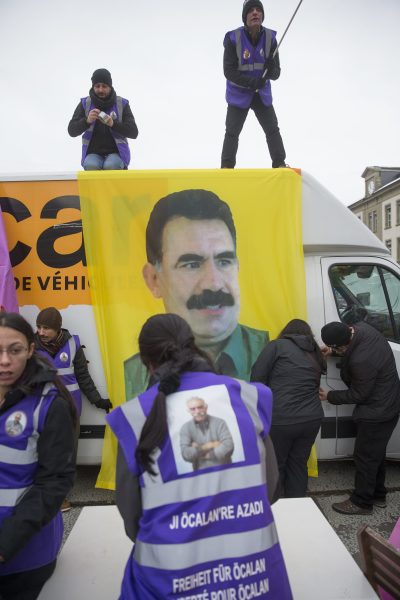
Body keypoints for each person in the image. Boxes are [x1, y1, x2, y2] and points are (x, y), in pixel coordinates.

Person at [107, 313, 292, 599]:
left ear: (148, 363)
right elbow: (270, 488)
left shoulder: (135, 416)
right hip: (256, 577)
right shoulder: (247, 398)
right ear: (192, 345)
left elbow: (133, 519)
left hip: (166, 581)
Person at [124, 188, 269, 399]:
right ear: (153, 279)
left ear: (237, 267)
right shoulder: (132, 374)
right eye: (192, 264)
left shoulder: (268, 352)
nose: (214, 284)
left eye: (224, 261)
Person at [0, 312, 76, 599]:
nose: (5, 360)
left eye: (15, 350)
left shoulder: (48, 405)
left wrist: (4, 546)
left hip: (24, 558)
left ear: (30, 350)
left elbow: (54, 482)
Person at [35, 307, 111, 511]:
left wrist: (97, 400)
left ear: (57, 328)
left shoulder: (72, 344)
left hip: (70, 409)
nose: (41, 332)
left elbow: (83, 377)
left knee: (67, 454)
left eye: (46, 328)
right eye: (39, 327)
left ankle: (60, 497)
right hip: (42, 408)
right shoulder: (31, 346)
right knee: (45, 452)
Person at [320, 321, 400, 515]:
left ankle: (362, 502)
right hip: (388, 403)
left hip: (377, 411)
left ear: (343, 344)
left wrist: (330, 396)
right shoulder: (364, 328)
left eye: (337, 348)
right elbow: (352, 349)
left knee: (365, 458)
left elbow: (359, 394)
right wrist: (334, 351)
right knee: (375, 454)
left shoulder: (361, 360)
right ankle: (378, 494)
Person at [251, 319, 326, 497]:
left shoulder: (276, 346)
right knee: (299, 464)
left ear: (286, 332)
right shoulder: (315, 351)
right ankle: (297, 506)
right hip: (312, 418)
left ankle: (277, 507)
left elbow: (257, 378)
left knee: (276, 465)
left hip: (282, 418)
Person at [221, 0, 287, 168]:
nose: (255, 13)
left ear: (262, 15)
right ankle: (226, 169)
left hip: (261, 93)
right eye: (251, 11)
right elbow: (228, 71)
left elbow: (276, 73)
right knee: (232, 132)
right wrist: (251, 82)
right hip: (239, 93)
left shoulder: (271, 39)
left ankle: (280, 164)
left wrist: (271, 69)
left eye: (258, 10)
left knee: (272, 129)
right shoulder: (233, 38)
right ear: (245, 17)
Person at [68, 68, 138, 170]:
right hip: (93, 154)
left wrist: (113, 123)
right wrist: (87, 121)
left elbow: (134, 132)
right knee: (91, 165)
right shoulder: (85, 103)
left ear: (110, 87)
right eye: (97, 86)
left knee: (111, 165)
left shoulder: (122, 103)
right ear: (93, 87)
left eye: (104, 86)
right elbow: (71, 131)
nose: (100, 90)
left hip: (117, 154)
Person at [180, 396, 234, 469]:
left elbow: (228, 446)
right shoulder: (185, 428)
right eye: (193, 409)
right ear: (188, 411)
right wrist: (207, 446)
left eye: (200, 407)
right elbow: (186, 454)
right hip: (200, 472)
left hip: (225, 469)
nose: (197, 411)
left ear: (206, 407)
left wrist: (205, 454)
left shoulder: (220, 422)